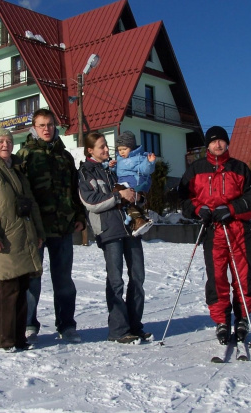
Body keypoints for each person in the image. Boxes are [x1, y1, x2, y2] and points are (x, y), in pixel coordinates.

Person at [178, 126, 251, 345]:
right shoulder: (196, 169)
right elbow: (183, 199)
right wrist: (198, 209)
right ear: (208, 145)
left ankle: (242, 318)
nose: (218, 145)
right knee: (217, 279)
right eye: (213, 141)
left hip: (238, 229)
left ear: (227, 143)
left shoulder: (240, 168)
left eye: (221, 141)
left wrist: (232, 208)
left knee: (243, 278)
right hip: (213, 231)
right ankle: (222, 320)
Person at [0, 127, 45, 351]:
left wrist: (39, 232)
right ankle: (1, 339)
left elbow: (31, 204)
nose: (5, 145)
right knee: (8, 288)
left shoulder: (16, 171)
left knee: (21, 286)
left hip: (22, 237)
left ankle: (17, 338)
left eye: (9, 141)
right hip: (3, 239)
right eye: (0, 141)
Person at [15, 109, 86, 344]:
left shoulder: (64, 156)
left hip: (63, 227)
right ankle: (28, 324)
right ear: (34, 128)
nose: (47, 129)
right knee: (32, 279)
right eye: (42, 125)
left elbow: (74, 188)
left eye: (50, 125)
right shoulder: (24, 155)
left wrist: (79, 215)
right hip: (36, 230)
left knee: (63, 280)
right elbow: (19, 194)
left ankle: (66, 325)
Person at [78, 132, 151, 344]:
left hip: (130, 227)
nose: (107, 150)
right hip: (109, 231)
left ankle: (135, 326)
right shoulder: (85, 172)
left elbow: (133, 189)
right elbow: (91, 201)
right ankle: (118, 330)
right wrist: (119, 196)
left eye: (106, 147)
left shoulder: (113, 168)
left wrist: (138, 196)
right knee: (116, 280)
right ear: (90, 150)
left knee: (138, 276)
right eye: (101, 147)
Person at [112, 130, 157, 236]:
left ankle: (138, 220)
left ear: (131, 148)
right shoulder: (119, 159)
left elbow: (145, 170)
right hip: (124, 182)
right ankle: (141, 219)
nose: (122, 152)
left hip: (133, 182)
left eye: (124, 149)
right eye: (119, 149)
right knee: (125, 203)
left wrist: (149, 163)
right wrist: (111, 165)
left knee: (118, 194)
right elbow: (117, 171)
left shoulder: (138, 158)